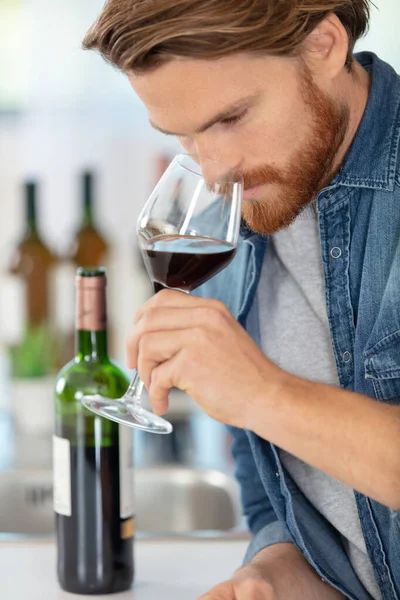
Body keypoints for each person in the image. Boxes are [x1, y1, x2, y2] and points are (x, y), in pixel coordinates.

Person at [83, 2, 400, 598]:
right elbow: (280, 501)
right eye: (184, 133)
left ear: (324, 44)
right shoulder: (235, 220)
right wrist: (269, 577)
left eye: (231, 117)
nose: (215, 168)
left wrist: (262, 393)